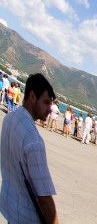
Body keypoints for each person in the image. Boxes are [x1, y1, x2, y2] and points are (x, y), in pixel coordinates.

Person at [0, 73, 58, 223]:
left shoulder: (9, 119)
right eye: (46, 102)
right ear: (32, 96)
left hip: (10, 208)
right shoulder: (33, 140)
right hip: (26, 217)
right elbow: (44, 197)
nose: (50, 108)